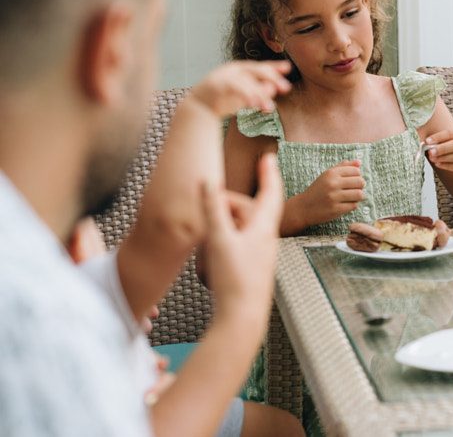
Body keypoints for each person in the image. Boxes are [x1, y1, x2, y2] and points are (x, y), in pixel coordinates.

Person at [0, 0, 283, 436]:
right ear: (114, 49)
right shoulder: (36, 331)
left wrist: (200, 111)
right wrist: (240, 319)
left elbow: (167, 227)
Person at [223, 0, 453, 434]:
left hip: (411, 338)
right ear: (273, 36)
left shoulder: (415, 102)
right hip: (299, 354)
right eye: (308, 27)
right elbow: (213, 260)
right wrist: (297, 213)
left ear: (370, 3)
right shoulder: (259, 123)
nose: (340, 41)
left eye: (350, 13)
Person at [68, 61, 304, 437]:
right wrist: (242, 310)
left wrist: (201, 110)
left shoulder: (56, 228)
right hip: (136, 416)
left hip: (137, 392)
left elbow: (167, 227)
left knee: (283, 428)